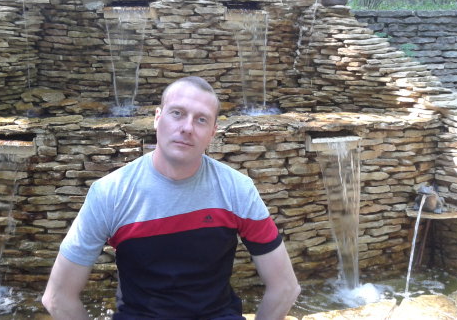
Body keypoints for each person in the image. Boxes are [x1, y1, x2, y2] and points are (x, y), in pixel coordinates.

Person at [42, 76, 300, 319]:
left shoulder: (237, 190)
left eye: (201, 120)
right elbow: (57, 297)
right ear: (158, 118)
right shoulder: (110, 192)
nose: (187, 128)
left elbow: (285, 287)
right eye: (177, 113)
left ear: (213, 132)